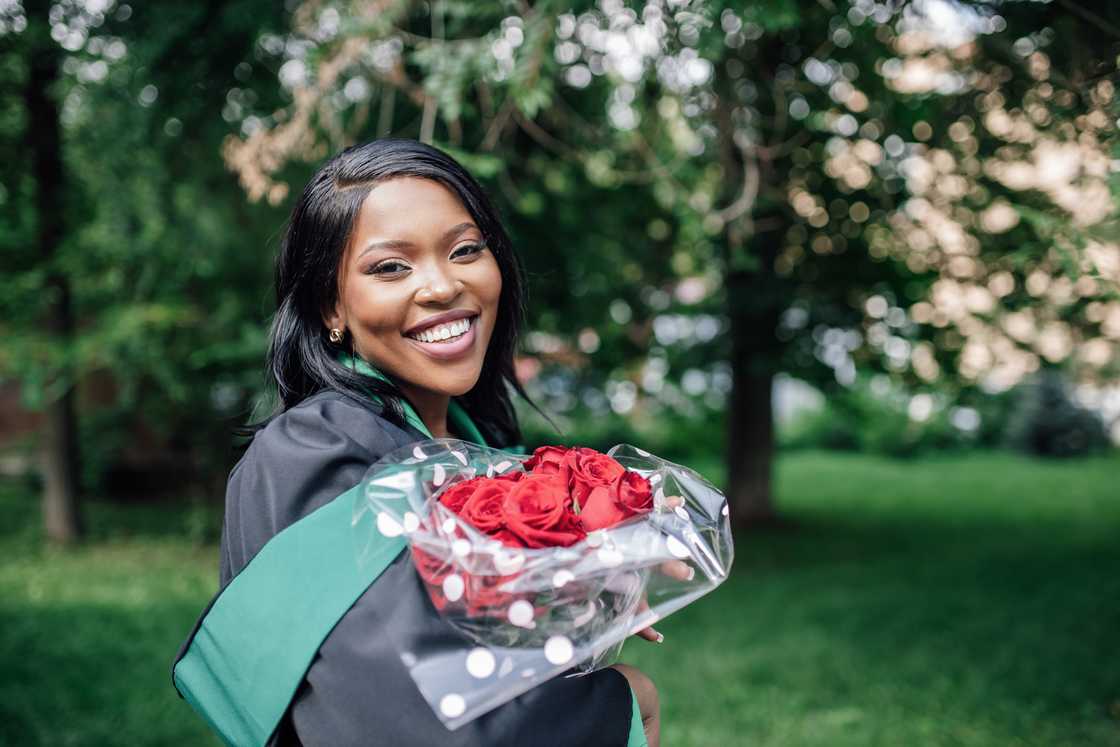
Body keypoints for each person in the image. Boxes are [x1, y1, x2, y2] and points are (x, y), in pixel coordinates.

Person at [172, 139, 661, 746]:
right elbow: (410, 711)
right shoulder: (313, 452)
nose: (441, 285)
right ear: (331, 306)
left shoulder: (476, 443)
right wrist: (625, 700)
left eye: (464, 250)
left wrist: (590, 582)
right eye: (390, 267)